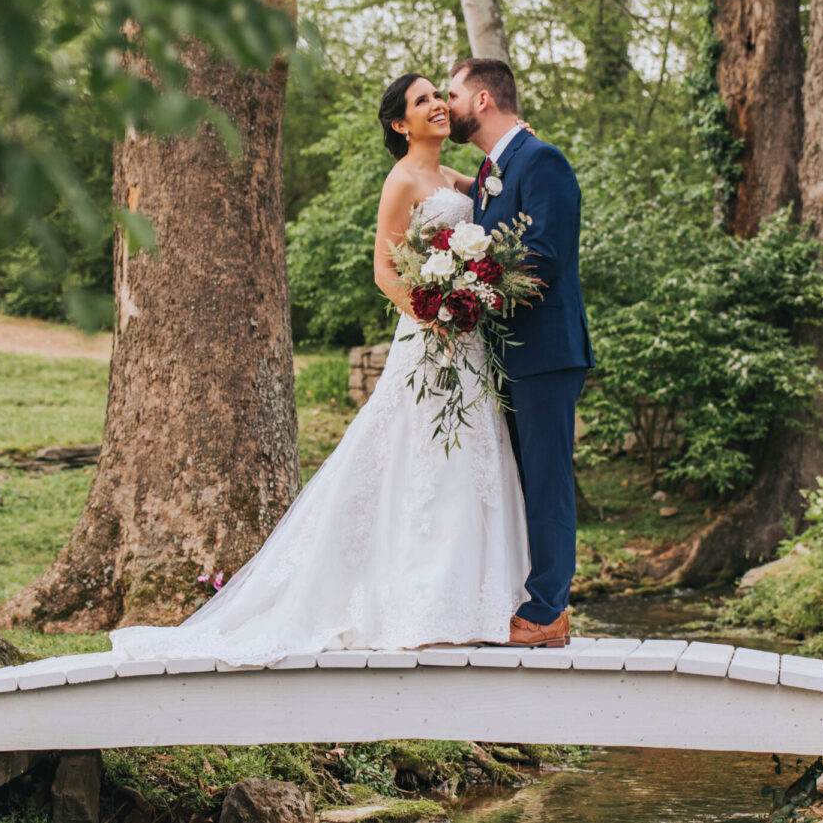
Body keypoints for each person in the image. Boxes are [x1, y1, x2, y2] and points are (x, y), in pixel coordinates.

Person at [108, 73, 532, 667]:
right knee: (420, 453)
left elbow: (490, 181)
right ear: (398, 123)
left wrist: (517, 137)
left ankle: (470, 601)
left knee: (469, 455)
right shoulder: (403, 179)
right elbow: (386, 270)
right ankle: (418, 601)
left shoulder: (449, 178)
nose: (437, 105)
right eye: (421, 101)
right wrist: (434, 312)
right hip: (432, 335)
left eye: (439, 95)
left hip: (469, 340)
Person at [445, 57, 592, 649]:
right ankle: (526, 596)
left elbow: (546, 255)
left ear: (482, 99)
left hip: (547, 351)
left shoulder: (542, 160)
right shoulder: (493, 171)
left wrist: (474, 291)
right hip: (505, 353)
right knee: (519, 477)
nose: (445, 104)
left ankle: (548, 610)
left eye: (452, 93)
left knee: (548, 477)